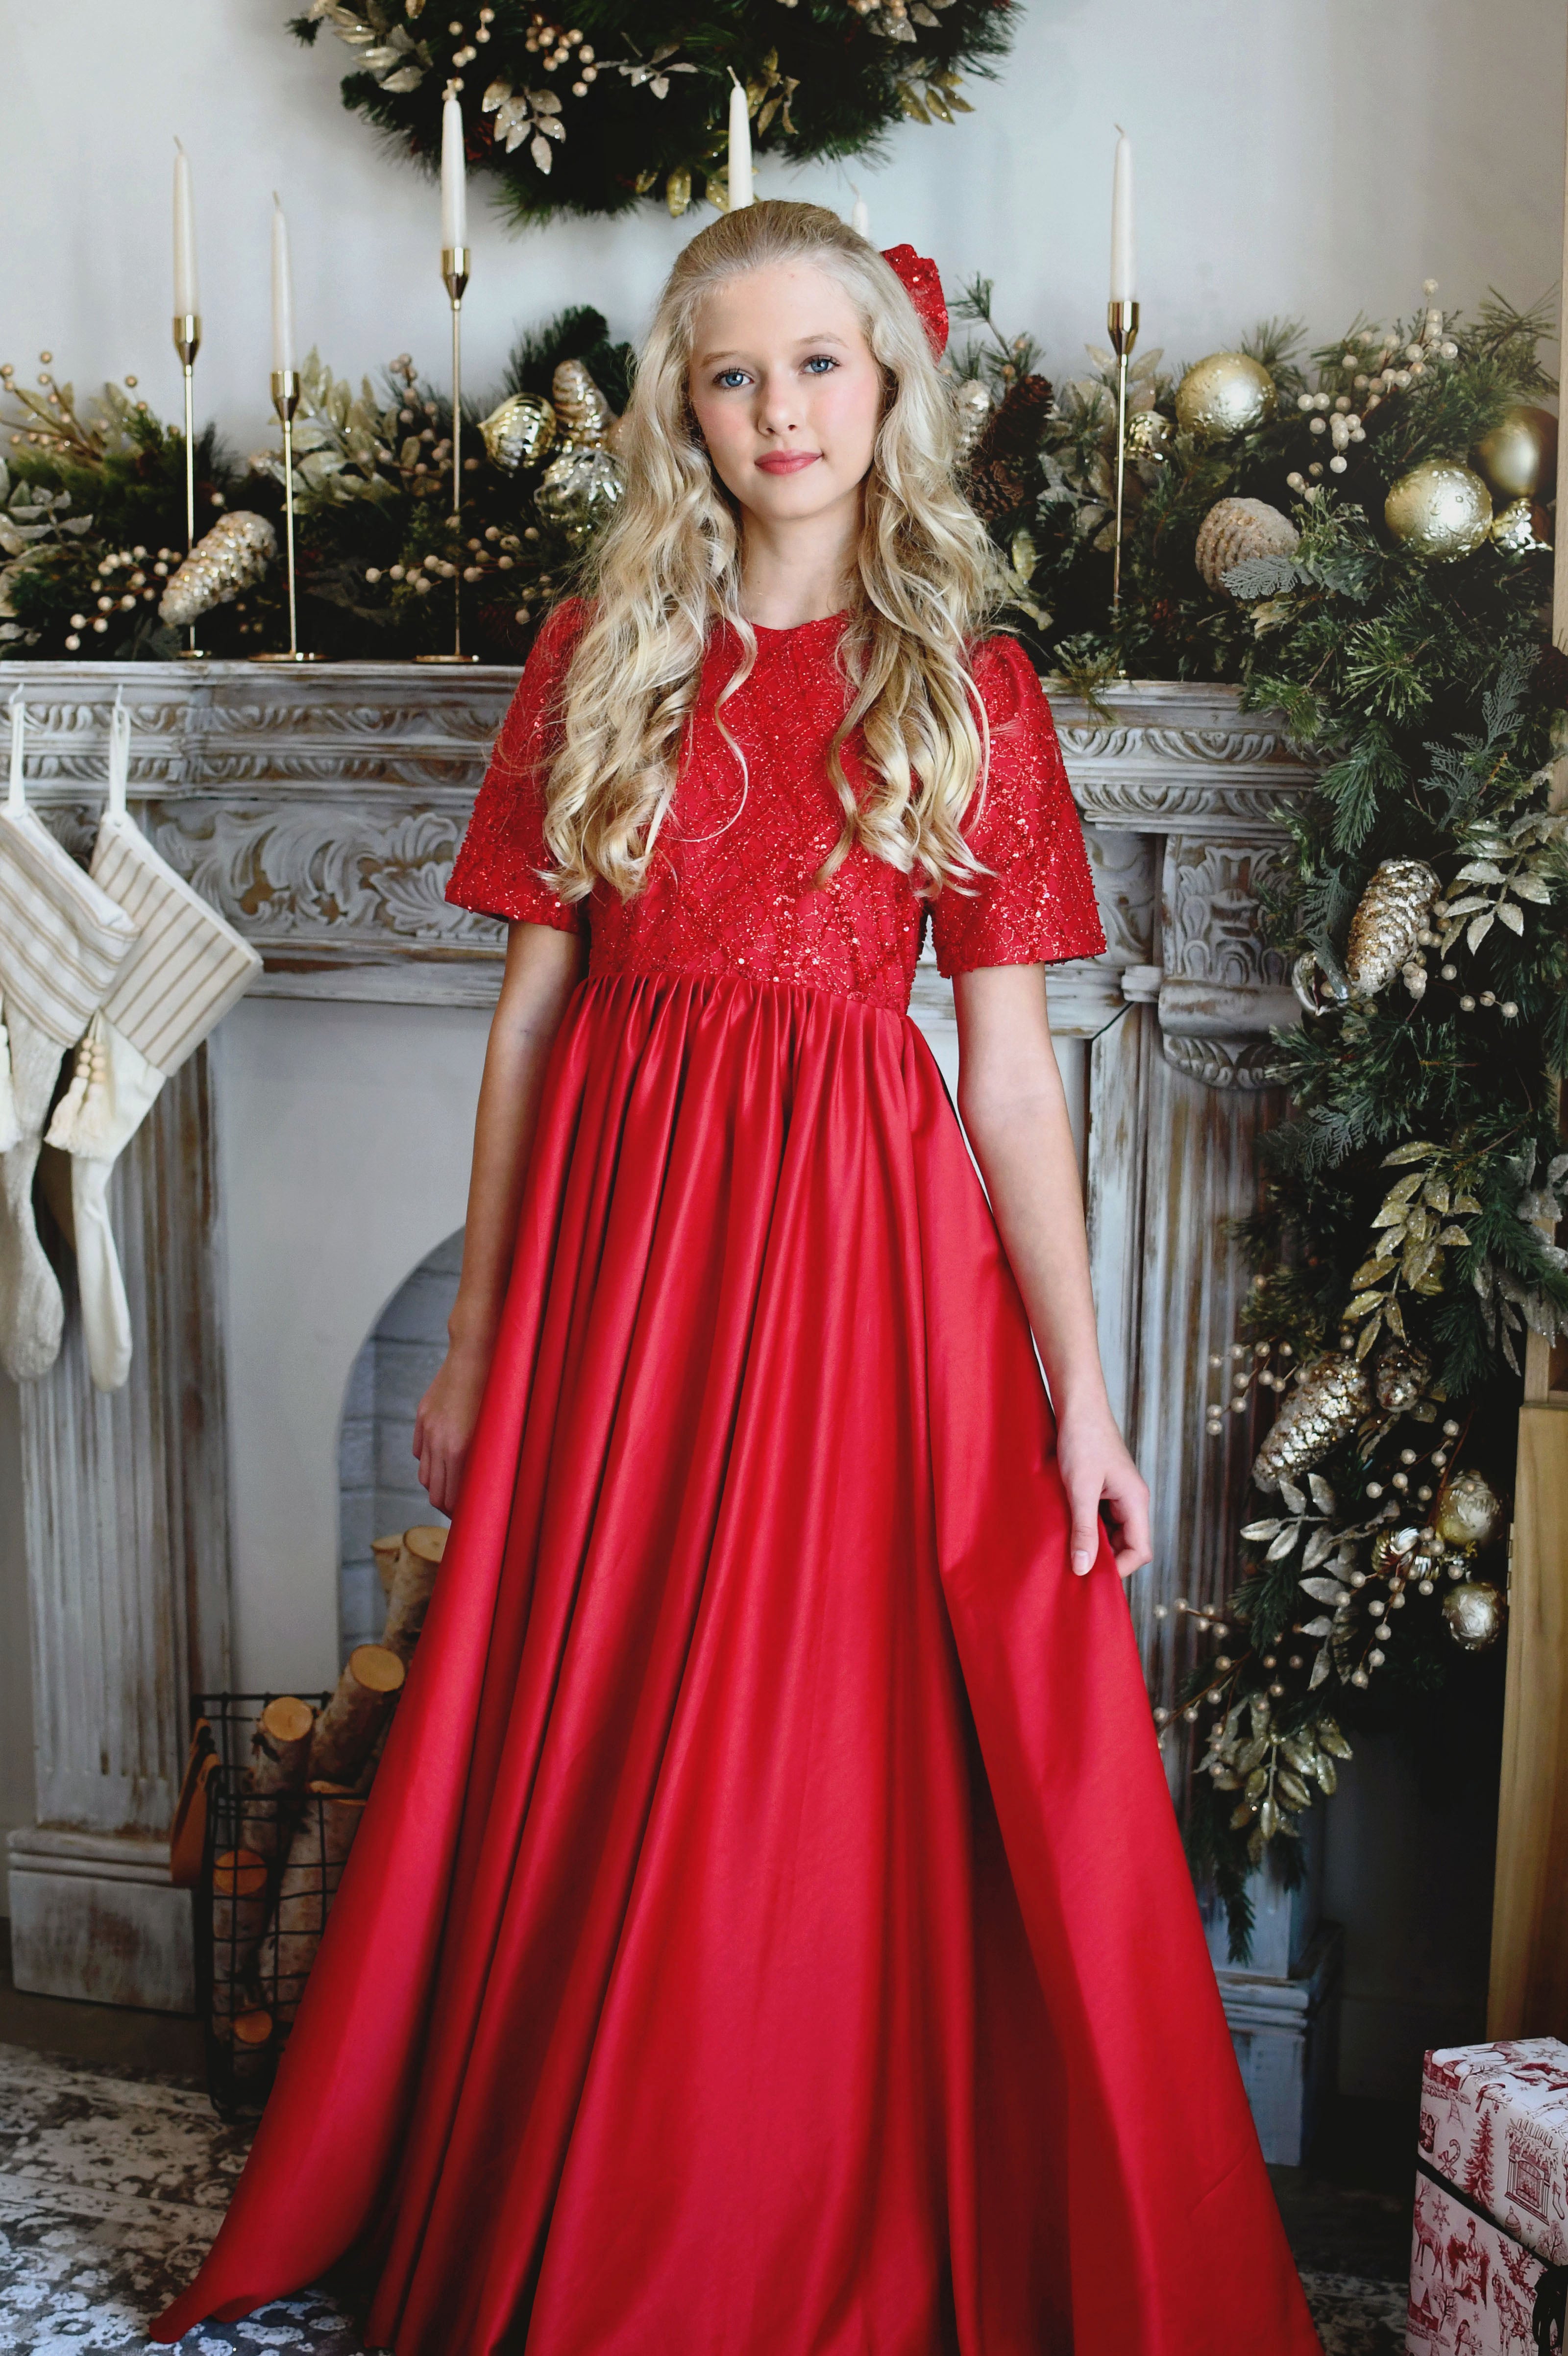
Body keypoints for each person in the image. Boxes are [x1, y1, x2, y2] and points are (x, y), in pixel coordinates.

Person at [156, 200, 1319, 2355]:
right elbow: (521, 1023)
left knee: (818, 1721)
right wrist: (487, 1327)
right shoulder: (601, 655)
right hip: (624, 1259)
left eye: (817, 365)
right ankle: (582, 2160)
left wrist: (1078, 1392)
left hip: (857, 1271)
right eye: (731, 372)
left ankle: (790, 2184)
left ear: (889, 391)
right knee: (594, 1689)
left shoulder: (965, 685)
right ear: (679, 410)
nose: (778, 410)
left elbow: (1011, 1080)